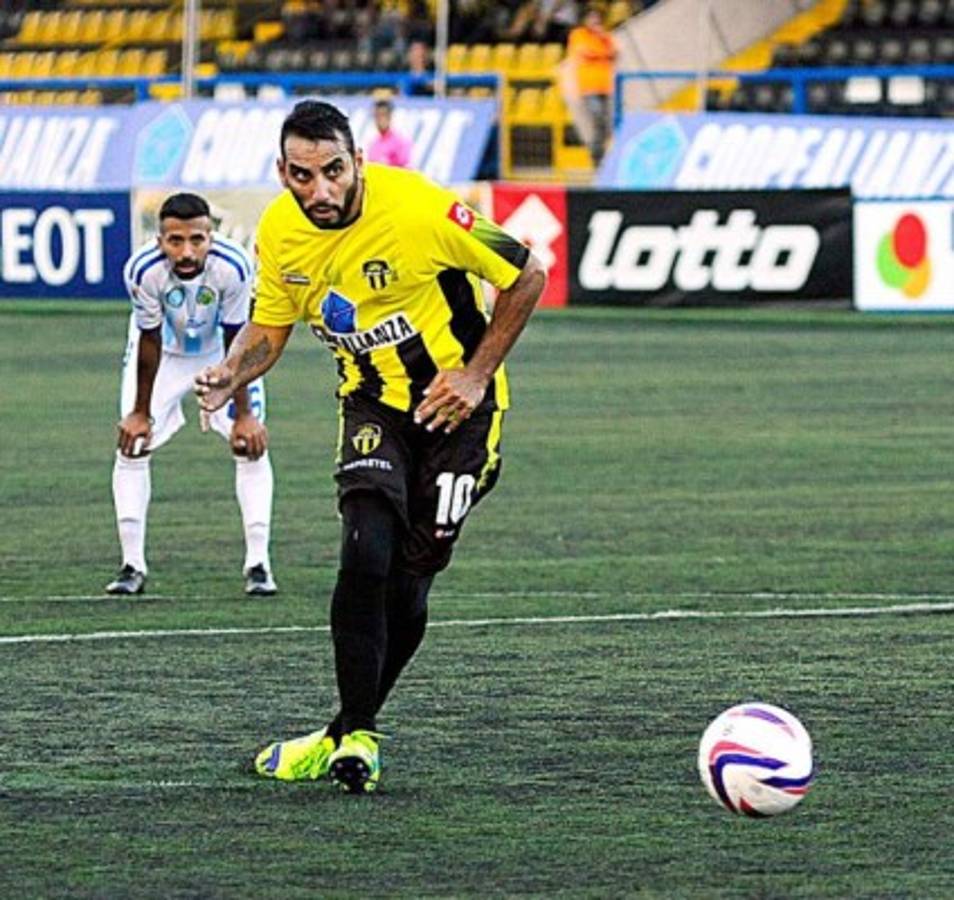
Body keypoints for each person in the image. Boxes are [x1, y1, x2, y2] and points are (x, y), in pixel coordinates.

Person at [194, 100, 545, 794]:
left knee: (410, 582)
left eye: (333, 171)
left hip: (459, 418)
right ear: (282, 171)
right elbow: (270, 329)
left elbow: (525, 273)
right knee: (365, 550)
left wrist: (475, 374)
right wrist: (231, 371)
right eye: (302, 175)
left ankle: (340, 733)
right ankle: (358, 736)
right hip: (373, 405)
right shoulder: (280, 231)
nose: (319, 190)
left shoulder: (419, 209)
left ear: (358, 160)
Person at [106, 192, 277, 598]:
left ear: (211, 236)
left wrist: (244, 413)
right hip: (163, 353)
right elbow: (148, 338)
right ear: (159, 239)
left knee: (249, 445)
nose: (186, 251)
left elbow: (239, 336)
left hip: (223, 353)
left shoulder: (234, 267)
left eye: (197, 240)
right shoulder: (142, 270)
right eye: (175, 241)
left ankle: (258, 564)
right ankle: (132, 565)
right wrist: (140, 412)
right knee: (133, 446)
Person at [567, 4, 617, 167]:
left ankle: (601, 155)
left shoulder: (605, 36)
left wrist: (602, 39)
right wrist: (602, 52)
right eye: (592, 17)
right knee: (597, 118)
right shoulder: (578, 34)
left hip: (606, 87)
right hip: (589, 88)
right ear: (585, 20)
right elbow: (585, 51)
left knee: (606, 123)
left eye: (597, 18)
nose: (595, 20)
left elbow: (614, 53)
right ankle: (597, 156)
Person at [365, 96, 413, 168]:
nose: (379, 119)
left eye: (383, 115)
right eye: (376, 115)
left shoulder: (401, 141)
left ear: (390, 116)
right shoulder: (373, 143)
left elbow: (407, 169)